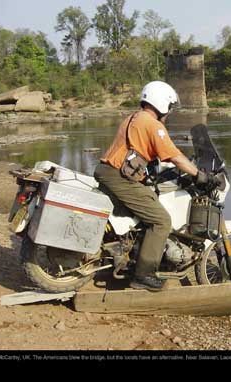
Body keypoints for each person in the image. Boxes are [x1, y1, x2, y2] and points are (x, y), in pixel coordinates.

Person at [94, 81, 219, 292]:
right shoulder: (153, 125)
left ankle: (130, 257)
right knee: (161, 221)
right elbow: (175, 156)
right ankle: (143, 275)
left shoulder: (134, 117)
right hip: (118, 177)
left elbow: (148, 154)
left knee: (146, 208)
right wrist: (199, 175)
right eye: (169, 108)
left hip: (110, 172)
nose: (169, 113)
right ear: (161, 104)